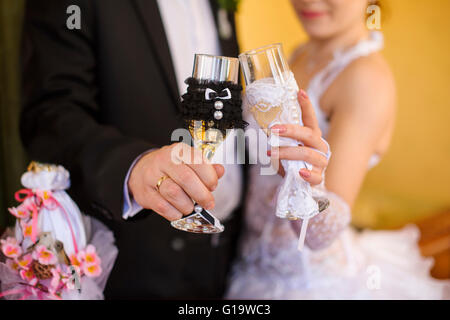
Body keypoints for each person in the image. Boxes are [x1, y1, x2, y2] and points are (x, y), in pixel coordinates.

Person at [19, 0, 328, 299]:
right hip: (132, 266)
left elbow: (223, 108)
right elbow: (50, 115)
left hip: (230, 266)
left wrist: (290, 164)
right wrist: (133, 167)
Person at [226, 0, 450, 299]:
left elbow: (322, 234)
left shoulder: (365, 77)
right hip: (248, 265)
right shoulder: (300, 53)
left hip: (307, 284)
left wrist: (307, 184)